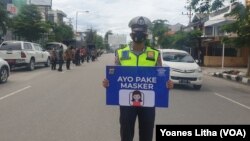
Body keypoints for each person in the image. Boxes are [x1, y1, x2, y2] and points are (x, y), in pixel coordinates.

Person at [102, 16, 174, 141]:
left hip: (148, 103)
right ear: (131, 34)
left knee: (146, 134)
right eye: (136, 32)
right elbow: (115, 76)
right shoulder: (121, 53)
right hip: (126, 102)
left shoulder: (155, 54)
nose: (138, 35)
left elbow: (160, 77)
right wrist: (108, 82)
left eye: (142, 32)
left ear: (146, 35)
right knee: (126, 134)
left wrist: (167, 84)